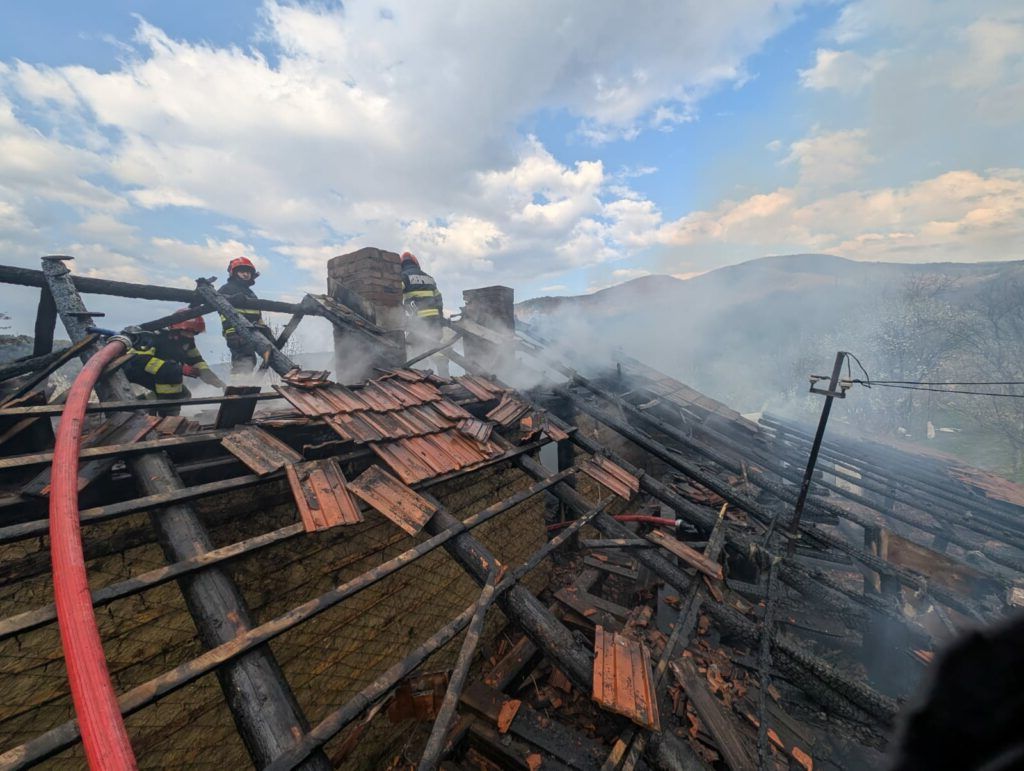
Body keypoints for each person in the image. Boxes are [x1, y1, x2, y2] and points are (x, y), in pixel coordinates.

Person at [124, 311, 226, 411]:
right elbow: (139, 360)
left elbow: (197, 361)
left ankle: (145, 408)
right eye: (187, 331)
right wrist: (179, 369)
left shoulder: (187, 341)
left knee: (184, 395)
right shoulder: (156, 337)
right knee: (173, 390)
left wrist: (217, 382)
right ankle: (163, 417)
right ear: (176, 329)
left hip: (164, 373)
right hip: (136, 371)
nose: (190, 336)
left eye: (194, 332)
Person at [218, 256, 273, 374]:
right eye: (242, 271)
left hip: (253, 331)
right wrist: (231, 332)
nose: (246, 274)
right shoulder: (227, 289)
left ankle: (246, 386)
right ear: (234, 273)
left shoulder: (250, 293)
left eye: (248, 272)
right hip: (235, 332)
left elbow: (257, 314)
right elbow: (219, 307)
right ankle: (238, 387)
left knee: (255, 359)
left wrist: (265, 329)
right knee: (243, 361)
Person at [400, 251, 449, 376]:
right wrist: (440, 318)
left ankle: (422, 378)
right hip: (435, 320)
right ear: (416, 263)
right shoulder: (429, 278)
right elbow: (439, 299)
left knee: (414, 348)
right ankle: (445, 377)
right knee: (437, 349)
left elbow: (395, 295)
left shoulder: (404, 276)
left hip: (419, 321)